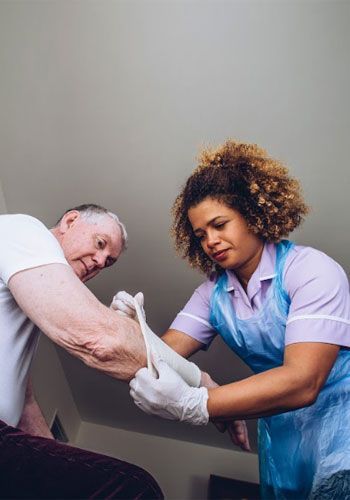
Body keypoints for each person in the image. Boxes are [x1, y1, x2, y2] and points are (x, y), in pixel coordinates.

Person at [116, 141, 350, 499]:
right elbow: (161, 355)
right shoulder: (212, 294)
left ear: (253, 213)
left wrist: (199, 404)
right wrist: (133, 331)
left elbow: (304, 381)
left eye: (219, 224)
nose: (210, 240)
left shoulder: (312, 270)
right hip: (281, 434)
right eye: (200, 234)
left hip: (342, 421)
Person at [0, 204, 163, 499]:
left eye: (109, 262)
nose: (100, 261)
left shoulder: (29, 300)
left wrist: (55, 454)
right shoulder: (27, 229)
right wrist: (200, 388)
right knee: (134, 489)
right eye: (100, 244)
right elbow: (97, 340)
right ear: (70, 220)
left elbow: (25, 401)